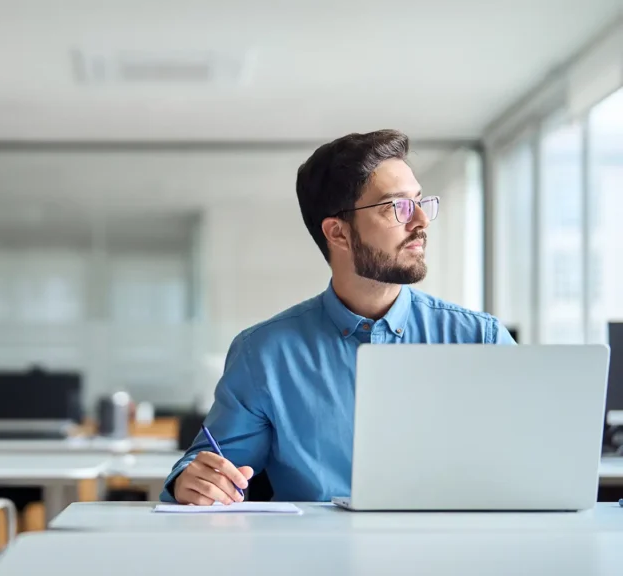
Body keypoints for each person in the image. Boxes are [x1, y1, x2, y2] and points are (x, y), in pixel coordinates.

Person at [161, 129, 515, 506]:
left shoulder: (481, 339)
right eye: (397, 207)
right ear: (338, 233)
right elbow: (209, 468)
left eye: (420, 202)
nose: (421, 222)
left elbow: (537, 460)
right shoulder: (265, 355)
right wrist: (193, 481)